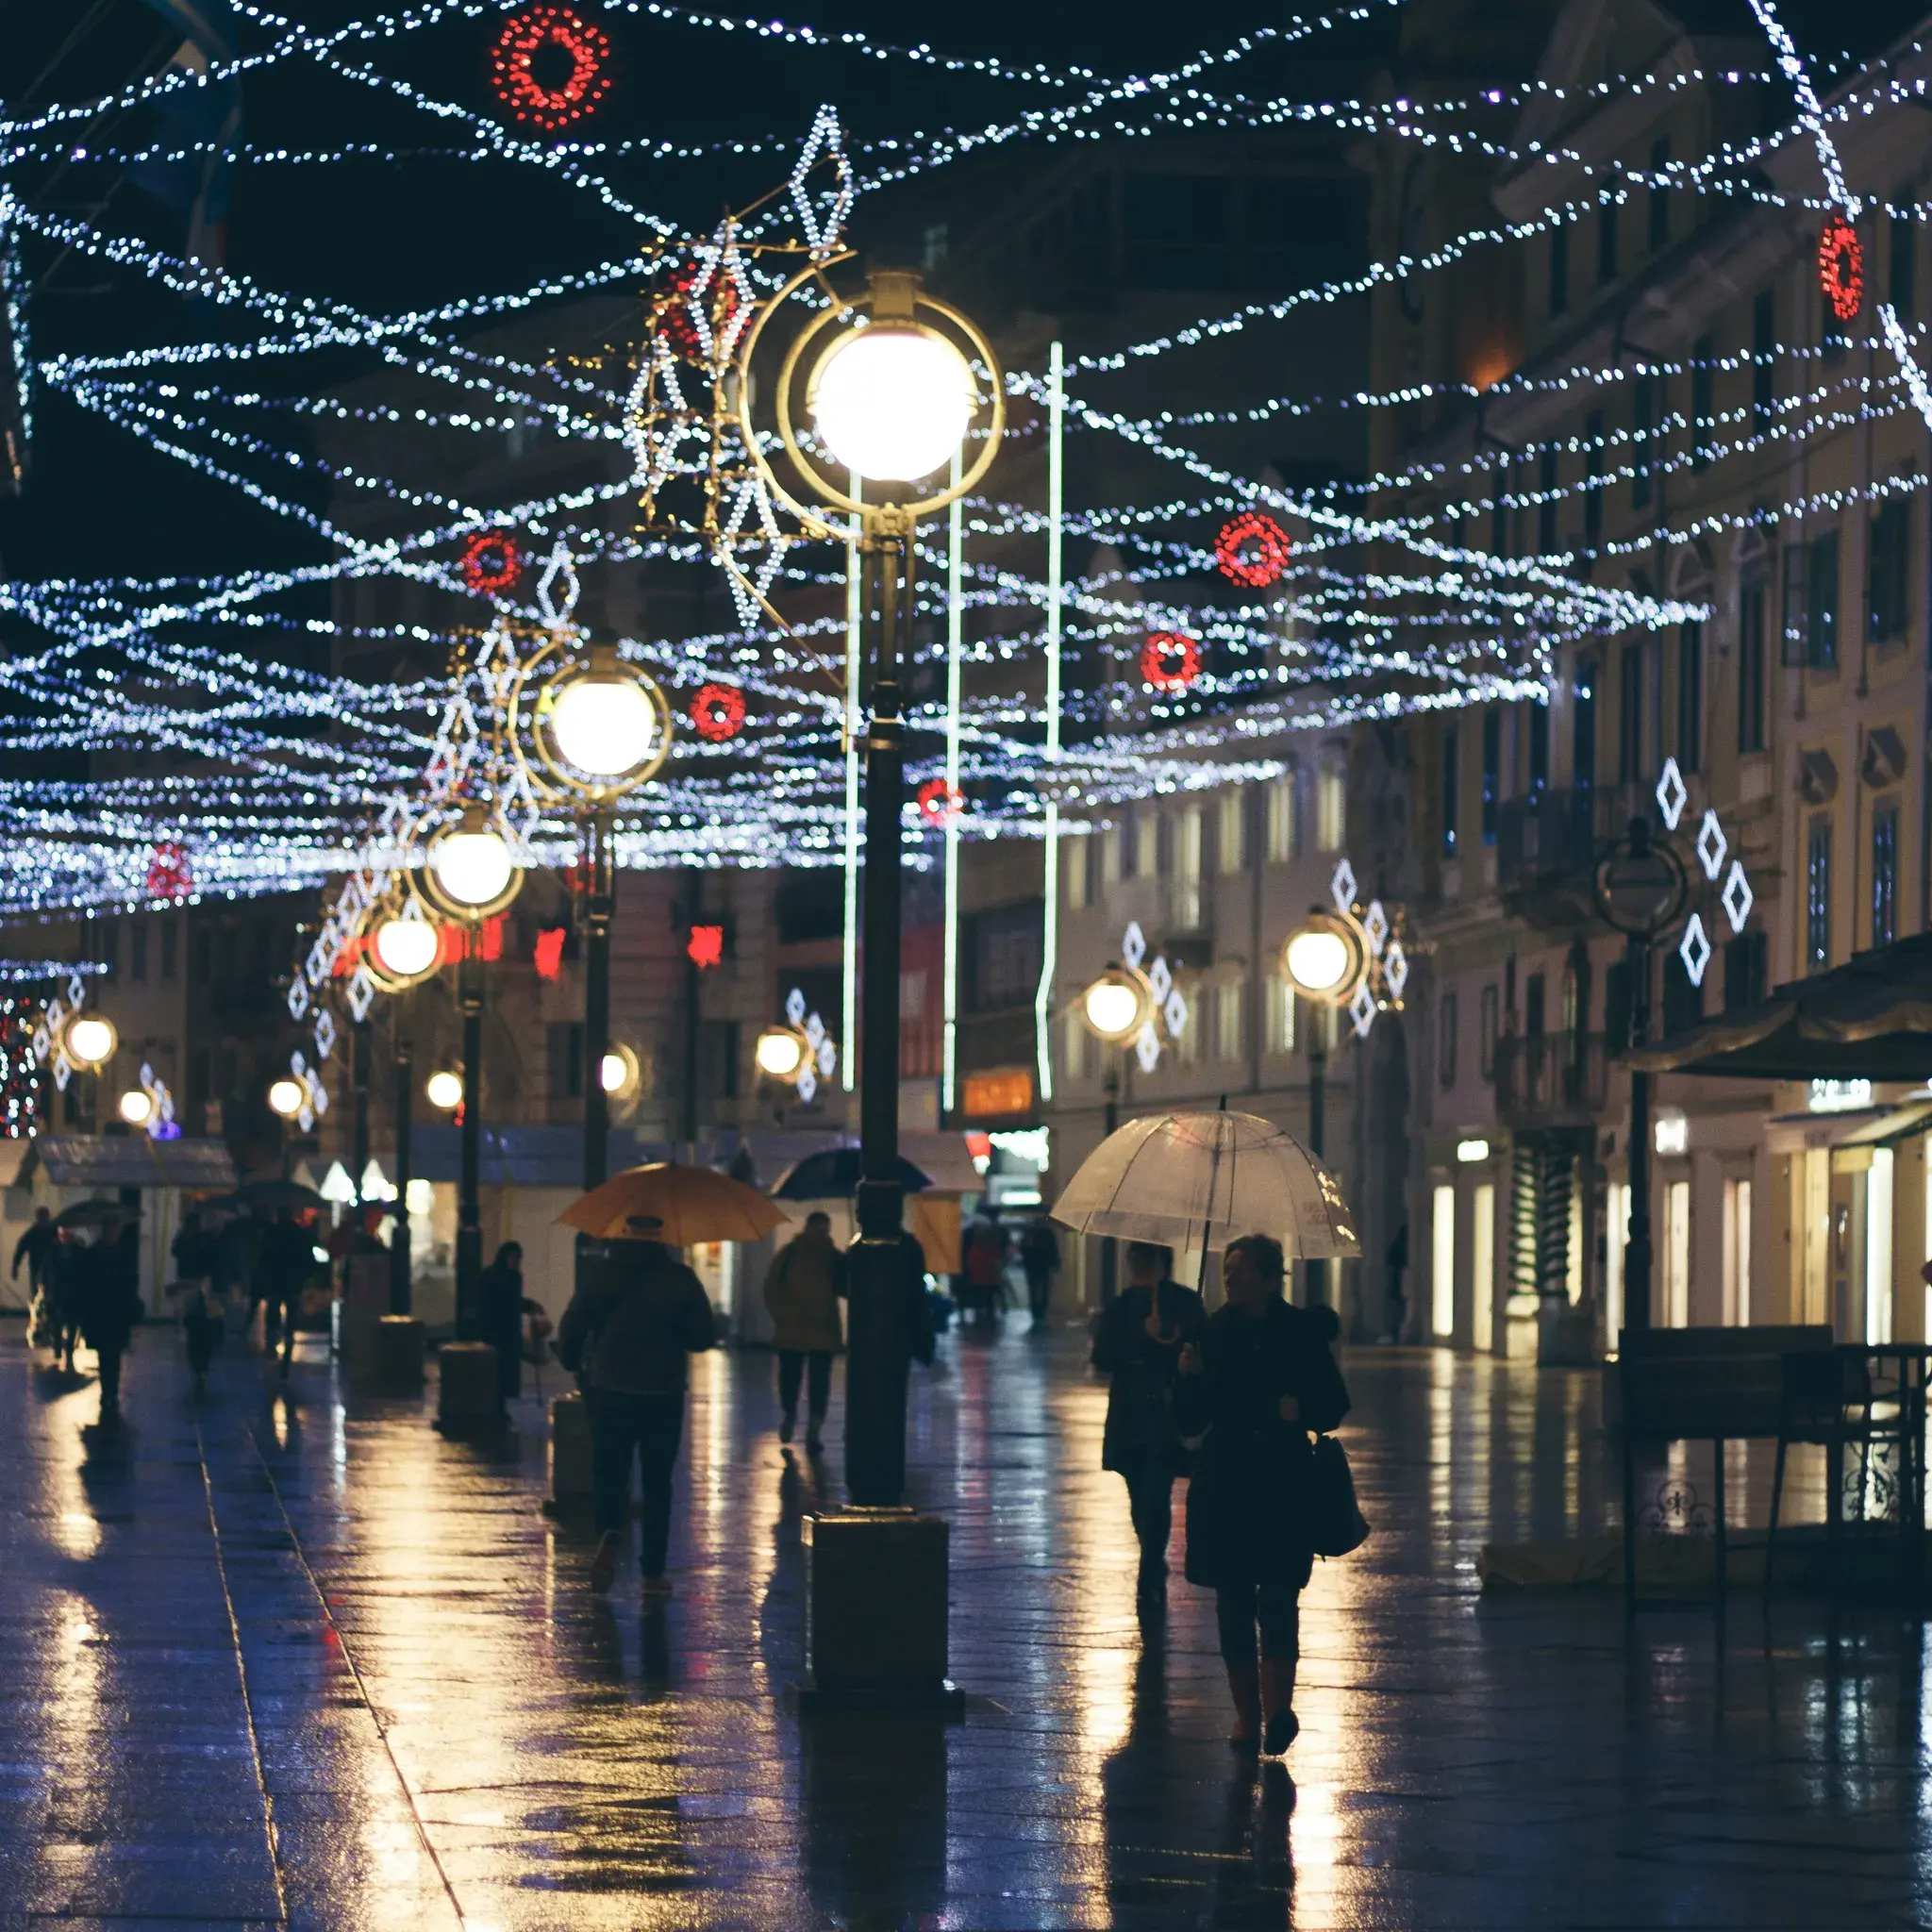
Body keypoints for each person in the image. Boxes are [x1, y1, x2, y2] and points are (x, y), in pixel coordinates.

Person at [1176, 1233, 1350, 1758]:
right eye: (1226, 1271)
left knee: (1277, 1596)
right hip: (1226, 1484)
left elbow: (1334, 1403)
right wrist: (1188, 1377)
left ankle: (1277, 1710)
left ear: (1269, 1277)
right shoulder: (1210, 1334)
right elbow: (1188, 1421)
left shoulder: (1298, 1332)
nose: (1229, 1279)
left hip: (1282, 1484)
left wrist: (1304, 1411)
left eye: (1240, 1270)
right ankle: (1245, 1716)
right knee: (1232, 1601)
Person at [558, 1217, 717, 1598]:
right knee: (658, 1481)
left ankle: (609, 1532)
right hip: (662, 1392)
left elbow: (573, 1325)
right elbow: (703, 1337)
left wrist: (572, 1362)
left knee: (610, 1470)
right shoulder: (680, 1278)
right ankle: (653, 1572)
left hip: (611, 1387)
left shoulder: (601, 1274)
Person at [1091, 1240, 1206, 1615]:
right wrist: (1142, 1336)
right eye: (1134, 1257)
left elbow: (1201, 1347)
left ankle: (1149, 1573)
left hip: (1166, 1416)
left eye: (1145, 1257)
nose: (1137, 1264)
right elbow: (1103, 1356)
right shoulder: (1122, 1306)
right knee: (1140, 1499)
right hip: (1129, 1415)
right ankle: (1152, 1560)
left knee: (1156, 1496)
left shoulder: (1184, 1302)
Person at [762, 1211, 846, 1450]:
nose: (822, 1233)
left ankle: (812, 1427)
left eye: (825, 1228)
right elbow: (771, 1286)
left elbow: (844, 1286)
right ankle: (794, 1417)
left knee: (815, 1381)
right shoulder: (791, 1254)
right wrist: (779, 1313)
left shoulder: (832, 1257)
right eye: (819, 1228)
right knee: (793, 1379)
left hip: (814, 1328)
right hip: (800, 1327)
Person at [77, 1216, 142, 1429]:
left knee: (110, 1354)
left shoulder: (95, 1253)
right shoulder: (115, 1254)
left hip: (110, 1312)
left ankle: (109, 1390)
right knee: (109, 1354)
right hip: (107, 1312)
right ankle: (109, 1391)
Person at [251, 1208, 315, 1377]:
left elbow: (263, 1258)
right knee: (291, 1320)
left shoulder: (272, 1234)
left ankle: (272, 1347)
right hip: (293, 1283)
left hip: (275, 1282)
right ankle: (286, 1354)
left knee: (273, 1315)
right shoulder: (299, 1235)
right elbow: (308, 1260)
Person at [476, 1241, 544, 1402]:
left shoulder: (514, 1277)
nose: (515, 1262)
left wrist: (529, 1305)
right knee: (496, 1371)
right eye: (512, 1257)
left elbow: (513, 1301)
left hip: (510, 1332)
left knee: (509, 1371)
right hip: (493, 1331)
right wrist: (528, 1305)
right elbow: (504, 1301)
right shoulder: (491, 1276)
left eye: (517, 1258)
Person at [170, 1211, 223, 1397]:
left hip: (189, 1284)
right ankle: (201, 1369)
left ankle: (198, 1367)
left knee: (194, 1328)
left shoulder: (186, 1241)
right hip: (199, 1284)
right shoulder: (202, 1240)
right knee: (200, 1329)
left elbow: (176, 1253)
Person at [46, 1226, 87, 1371]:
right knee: (58, 1322)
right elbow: (48, 1269)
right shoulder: (55, 1250)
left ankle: (67, 1347)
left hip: (73, 1292)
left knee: (71, 1323)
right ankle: (59, 1346)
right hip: (59, 1292)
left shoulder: (78, 1251)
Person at [1019, 1218, 1061, 1332]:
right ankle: (1038, 1313)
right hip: (1037, 1266)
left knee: (1039, 1290)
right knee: (1039, 1290)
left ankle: (1039, 1313)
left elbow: (1053, 1249)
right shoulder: (1039, 1233)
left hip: (1037, 1265)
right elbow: (1053, 1249)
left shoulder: (1035, 1233)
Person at [12, 1205, 56, 1307]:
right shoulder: (52, 1231)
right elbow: (20, 1249)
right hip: (48, 1268)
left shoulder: (34, 1232)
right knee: (46, 1294)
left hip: (40, 1267)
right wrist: (15, 1267)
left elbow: (20, 1249)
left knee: (38, 1294)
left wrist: (15, 1267)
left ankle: (40, 1313)